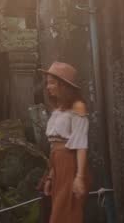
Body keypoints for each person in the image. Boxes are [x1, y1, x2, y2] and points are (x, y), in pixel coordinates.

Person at [39, 61, 90, 223]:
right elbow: (54, 148)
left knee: (65, 215)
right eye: (47, 83)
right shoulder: (58, 109)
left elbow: (81, 143)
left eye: (52, 83)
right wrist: (50, 177)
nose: (48, 86)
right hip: (57, 165)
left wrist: (79, 177)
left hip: (70, 164)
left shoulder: (78, 107)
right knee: (60, 215)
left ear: (63, 85)